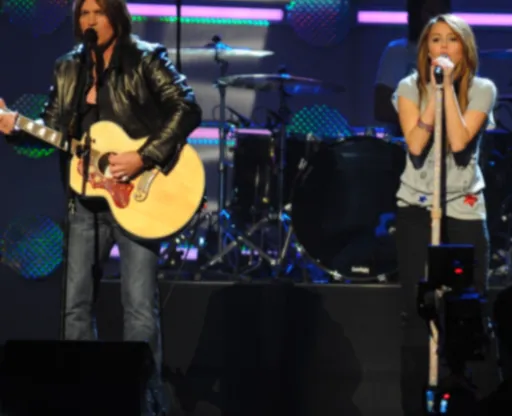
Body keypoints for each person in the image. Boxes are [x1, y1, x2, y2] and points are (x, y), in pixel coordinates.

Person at [0, 0, 202, 414]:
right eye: (84, 13)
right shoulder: (68, 66)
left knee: (138, 308)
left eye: (99, 11)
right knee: (74, 306)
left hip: (141, 198)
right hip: (85, 202)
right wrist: (15, 127)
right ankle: (82, 401)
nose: (90, 20)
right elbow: (53, 129)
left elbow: (187, 107)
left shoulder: (145, 58)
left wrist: (144, 156)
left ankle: (143, 403)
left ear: (116, 16)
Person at [392, 13, 497, 415]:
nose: (443, 47)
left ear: (464, 50)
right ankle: (415, 405)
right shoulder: (408, 87)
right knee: (417, 309)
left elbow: (457, 141)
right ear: (426, 49)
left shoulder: (482, 89)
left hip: (464, 207)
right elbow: (416, 145)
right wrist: (432, 94)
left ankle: (471, 399)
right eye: (435, 40)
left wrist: (447, 89)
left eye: (451, 40)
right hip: (416, 207)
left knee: (468, 307)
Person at [374, 0, 451, 135]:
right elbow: (382, 109)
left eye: (442, 14)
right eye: (431, 13)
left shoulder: (458, 56)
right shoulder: (398, 51)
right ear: (416, 15)